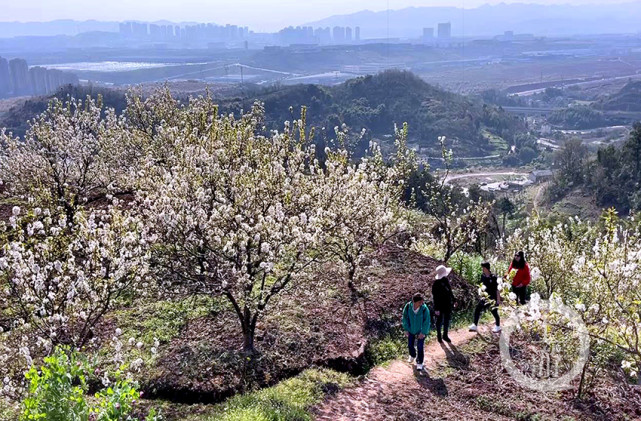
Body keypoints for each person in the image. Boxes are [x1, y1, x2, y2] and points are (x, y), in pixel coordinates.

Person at [469, 262, 501, 333]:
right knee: (477, 309)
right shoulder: (482, 276)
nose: (482, 269)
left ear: (486, 268)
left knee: (494, 312)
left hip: (492, 298)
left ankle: (498, 326)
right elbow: (481, 287)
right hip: (484, 297)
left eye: (483, 268)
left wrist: (498, 299)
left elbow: (497, 289)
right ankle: (475, 325)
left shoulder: (493, 277)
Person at [402, 293, 431, 370]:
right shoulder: (408, 306)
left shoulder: (424, 309)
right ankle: (412, 355)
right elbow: (405, 318)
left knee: (420, 346)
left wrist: (423, 332)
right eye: (419, 302)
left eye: (422, 302)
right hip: (411, 329)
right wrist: (406, 329)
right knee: (410, 345)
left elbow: (427, 321)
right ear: (414, 301)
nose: (421, 304)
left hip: (420, 330)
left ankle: (419, 362)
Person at [432, 265, 455, 343]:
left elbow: (450, 291)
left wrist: (454, 300)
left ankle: (445, 335)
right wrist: (436, 308)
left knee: (446, 320)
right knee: (439, 320)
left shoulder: (446, 280)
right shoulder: (435, 284)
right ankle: (439, 335)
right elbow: (435, 297)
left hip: (447, 303)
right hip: (439, 305)